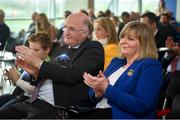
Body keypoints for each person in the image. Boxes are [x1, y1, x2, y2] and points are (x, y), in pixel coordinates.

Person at [0, 12, 104, 119]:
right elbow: (49, 74)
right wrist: (34, 72)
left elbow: (71, 75)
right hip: (35, 101)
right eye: (65, 27)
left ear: (85, 33)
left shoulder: (93, 48)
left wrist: (37, 62)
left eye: (71, 29)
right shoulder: (60, 48)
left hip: (59, 107)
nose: (66, 32)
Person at [83, 21, 163, 119]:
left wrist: (106, 88)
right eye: (122, 37)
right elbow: (92, 94)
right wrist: (97, 92)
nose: (123, 42)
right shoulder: (116, 62)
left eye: (130, 38)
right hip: (99, 112)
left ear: (144, 43)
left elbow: (141, 105)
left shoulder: (150, 66)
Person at [0, 32, 52, 110]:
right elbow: (19, 83)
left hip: (28, 100)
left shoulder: (48, 66)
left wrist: (17, 80)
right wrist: (13, 77)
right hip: (18, 95)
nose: (31, 53)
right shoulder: (29, 61)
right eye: (30, 49)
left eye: (36, 50)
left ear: (47, 50)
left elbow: (36, 90)